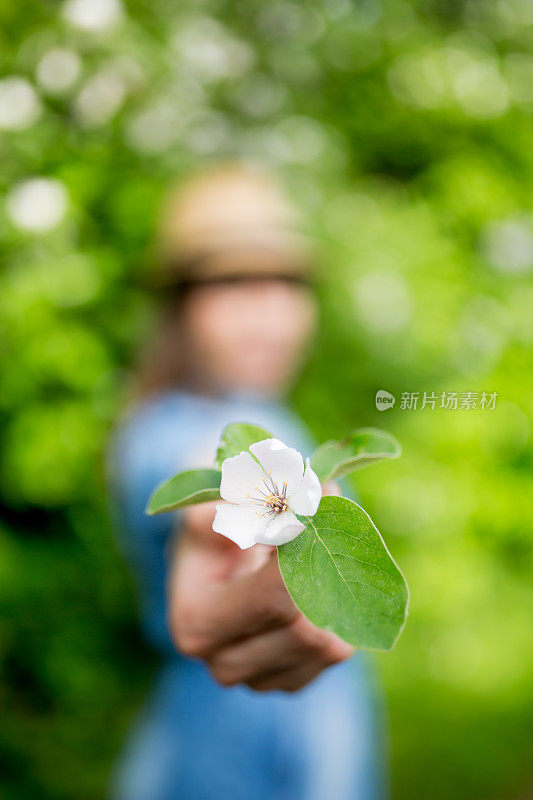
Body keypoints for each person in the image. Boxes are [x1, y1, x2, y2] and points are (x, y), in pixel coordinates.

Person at [106, 162, 386, 800]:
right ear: (179, 308)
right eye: (232, 283)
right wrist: (219, 512)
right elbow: (199, 469)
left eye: (285, 281)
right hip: (218, 759)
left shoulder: (274, 410)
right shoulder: (159, 426)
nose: (268, 313)